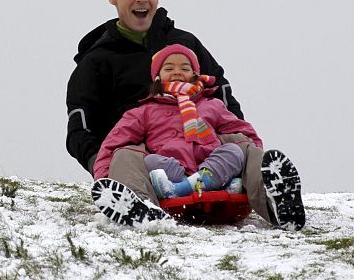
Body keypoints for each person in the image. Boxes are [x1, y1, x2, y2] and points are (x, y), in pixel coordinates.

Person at [66, 0, 304, 229]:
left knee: (243, 145)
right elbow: (79, 127)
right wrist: (103, 171)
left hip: (206, 153)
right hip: (153, 163)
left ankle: (276, 204)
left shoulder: (186, 44)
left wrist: (238, 139)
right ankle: (138, 207)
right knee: (124, 153)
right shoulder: (96, 61)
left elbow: (224, 102)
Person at [93, 44, 262, 199]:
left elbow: (243, 130)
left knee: (234, 149)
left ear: (195, 75)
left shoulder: (211, 105)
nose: (177, 71)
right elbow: (113, 144)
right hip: (171, 172)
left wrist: (253, 155)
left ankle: (184, 189)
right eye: (168, 68)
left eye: (185, 68)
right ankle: (138, 204)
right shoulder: (144, 111)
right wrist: (104, 180)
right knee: (141, 158)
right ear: (157, 77)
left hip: (209, 168)